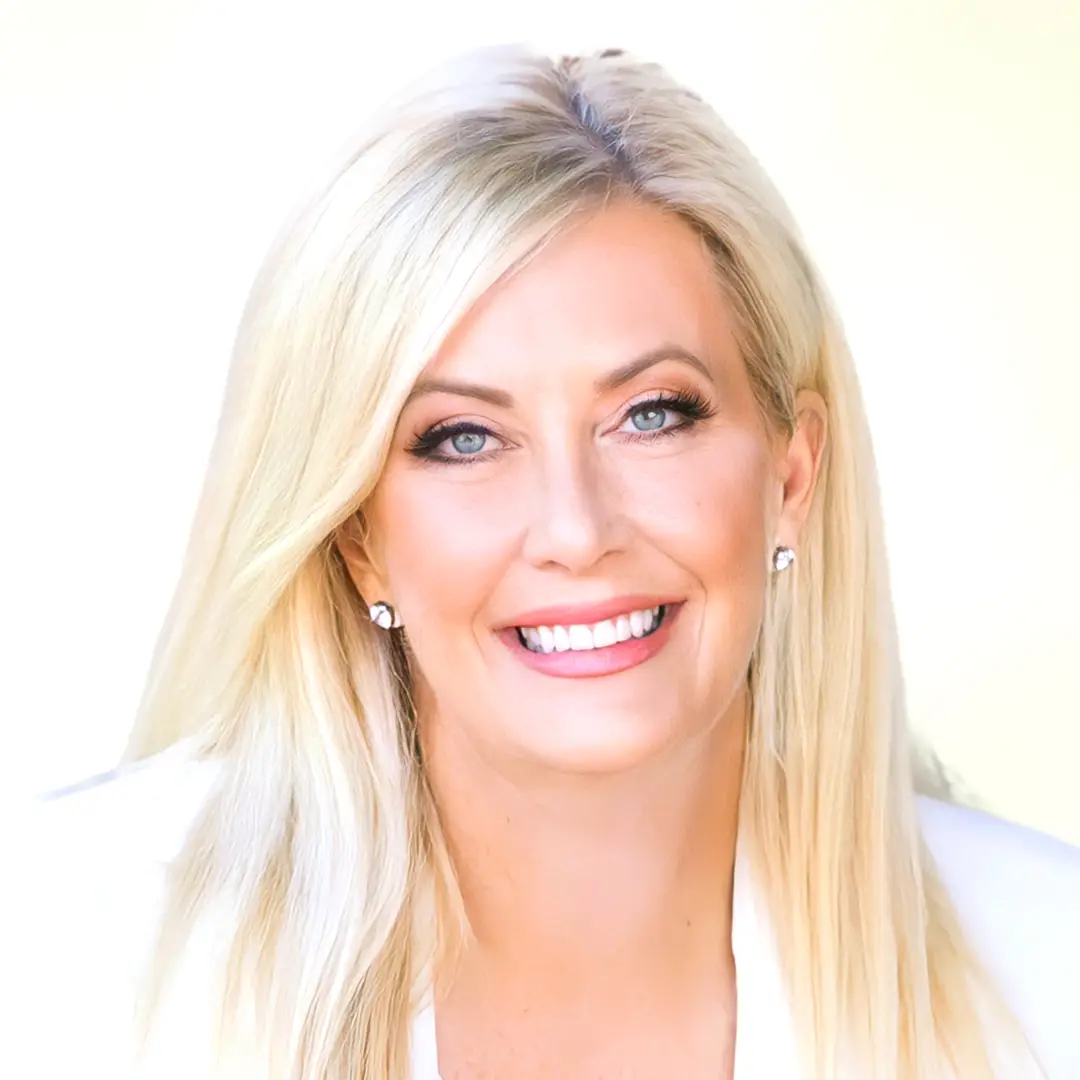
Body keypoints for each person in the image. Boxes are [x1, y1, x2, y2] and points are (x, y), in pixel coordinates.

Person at [13, 44, 1079, 1080]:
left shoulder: (1049, 973)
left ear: (792, 477)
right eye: (463, 438)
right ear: (357, 540)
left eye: (652, 415)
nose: (575, 529)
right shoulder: (62, 962)